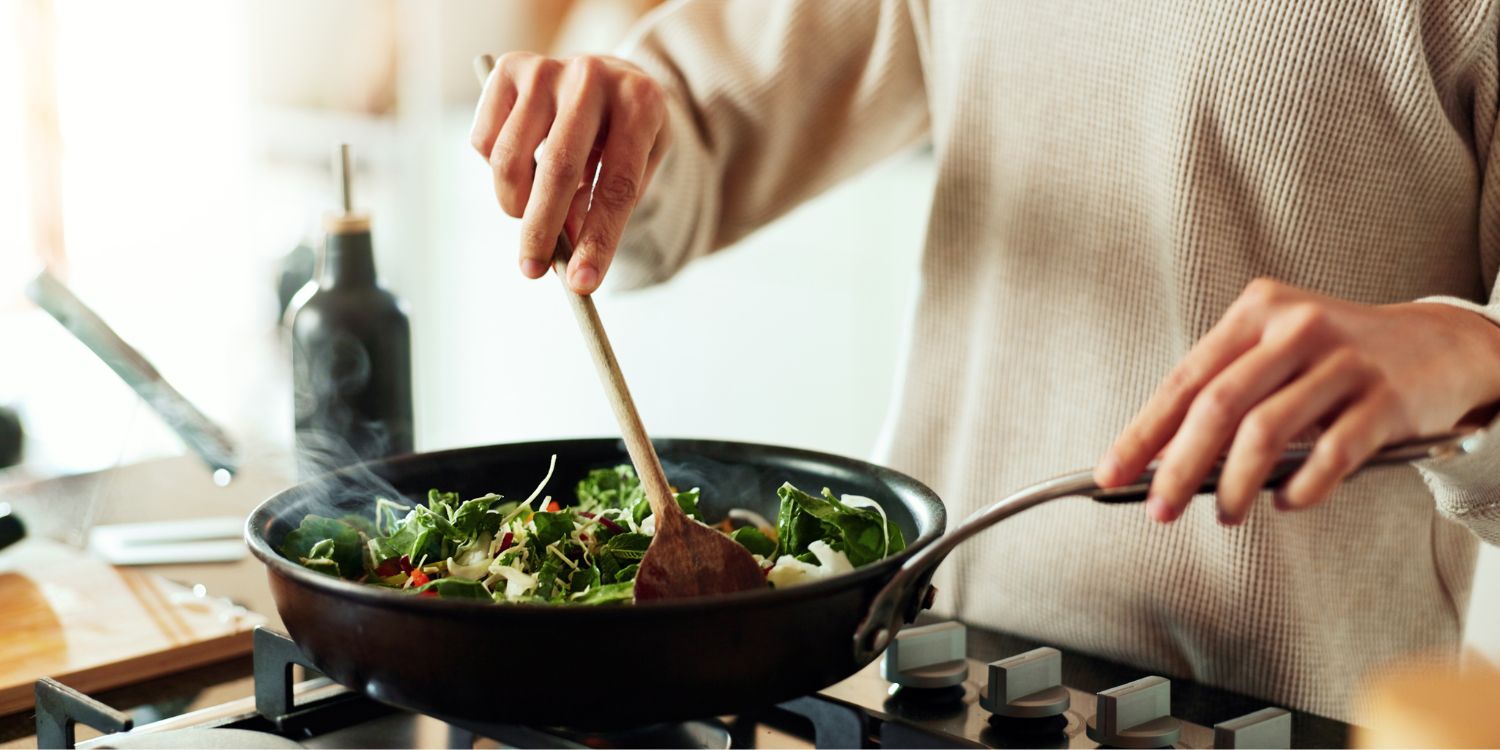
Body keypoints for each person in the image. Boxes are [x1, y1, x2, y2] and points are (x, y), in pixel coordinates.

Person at [469, 0, 1500, 720]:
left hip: (1295, 712)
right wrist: (604, 135)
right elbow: (693, 145)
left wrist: (1473, 358)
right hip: (931, 675)